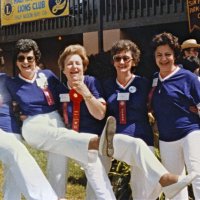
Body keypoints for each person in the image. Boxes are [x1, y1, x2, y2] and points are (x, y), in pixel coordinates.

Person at [6, 38, 116, 199]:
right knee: (68, 141)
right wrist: (16, 115)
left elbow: (66, 95)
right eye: (21, 58)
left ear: (36, 59)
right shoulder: (11, 83)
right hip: (33, 123)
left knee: (84, 159)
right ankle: (94, 142)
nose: (25, 62)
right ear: (16, 62)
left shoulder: (48, 76)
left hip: (55, 120)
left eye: (30, 58)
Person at [101, 39, 197, 200]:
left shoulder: (145, 83)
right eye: (118, 58)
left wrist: (189, 107)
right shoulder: (106, 85)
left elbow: (163, 100)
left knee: (145, 190)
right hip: (117, 140)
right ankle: (166, 179)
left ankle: (165, 182)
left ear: (134, 61)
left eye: (126, 58)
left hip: (145, 139)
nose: (122, 62)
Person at [55, 44, 113, 200]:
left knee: (95, 191)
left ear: (84, 67)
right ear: (64, 69)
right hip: (72, 141)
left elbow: (100, 114)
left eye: (77, 63)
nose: (74, 67)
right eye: (69, 64)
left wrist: (85, 93)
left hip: (94, 142)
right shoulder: (60, 90)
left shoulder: (91, 82)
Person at [0, 72, 66, 200]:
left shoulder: (5, 79)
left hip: (11, 129)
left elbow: (23, 94)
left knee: (14, 174)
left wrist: (23, 111)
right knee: (16, 151)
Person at [151, 32, 200, 199]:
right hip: (166, 139)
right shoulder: (153, 80)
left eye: (167, 54)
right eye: (159, 55)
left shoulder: (189, 77)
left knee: (197, 174)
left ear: (175, 55)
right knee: (174, 185)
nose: (163, 59)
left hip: (190, 132)